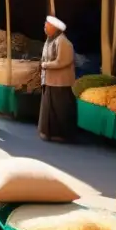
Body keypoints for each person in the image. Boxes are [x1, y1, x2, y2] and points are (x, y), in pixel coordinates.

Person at [38, 15, 77, 143]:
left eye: (46, 25)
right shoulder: (49, 40)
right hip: (49, 80)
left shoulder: (62, 42)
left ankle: (63, 135)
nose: (44, 27)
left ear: (54, 27)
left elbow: (62, 61)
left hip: (61, 82)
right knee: (49, 108)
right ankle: (48, 133)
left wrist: (45, 65)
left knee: (60, 109)